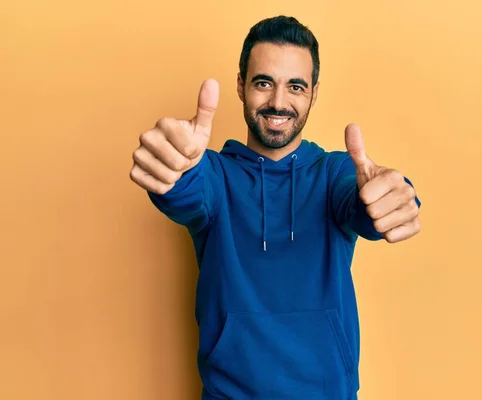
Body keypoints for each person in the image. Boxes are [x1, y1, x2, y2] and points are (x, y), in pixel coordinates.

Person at [129, 15, 421, 400]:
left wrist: (393, 198)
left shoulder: (334, 173)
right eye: (263, 83)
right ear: (240, 85)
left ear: (314, 93)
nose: (278, 102)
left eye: (295, 86)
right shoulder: (215, 175)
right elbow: (186, 191)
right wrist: (172, 170)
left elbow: (365, 202)